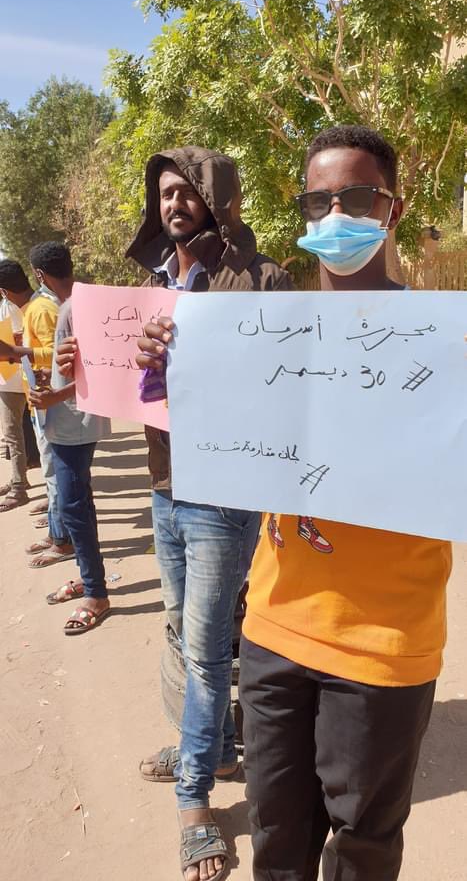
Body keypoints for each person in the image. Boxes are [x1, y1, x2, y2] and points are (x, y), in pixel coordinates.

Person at [57, 146, 291, 881]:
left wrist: (194, 345)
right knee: (179, 627)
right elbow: (130, 387)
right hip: (164, 487)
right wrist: (80, 371)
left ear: (217, 197)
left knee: (206, 643)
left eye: (186, 191)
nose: (172, 204)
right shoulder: (148, 286)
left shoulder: (262, 280)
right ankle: (214, 748)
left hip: (222, 493)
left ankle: (194, 800)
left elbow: (281, 381)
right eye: (162, 194)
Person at [239, 124, 452, 881]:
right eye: (318, 200)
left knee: (361, 842)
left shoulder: (443, 342)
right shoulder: (259, 334)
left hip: (382, 645)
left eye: (356, 197)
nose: (336, 216)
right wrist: (159, 365)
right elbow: (214, 436)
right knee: (275, 837)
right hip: (272, 627)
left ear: (391, 210)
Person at [29, 261, 111, 635]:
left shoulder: (75, 306)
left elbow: (100, 369)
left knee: (73, 506)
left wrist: (52, 397)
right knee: (79, 503)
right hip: (71, 422)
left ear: (40, 274)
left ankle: (95, 592)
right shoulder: (80, 301)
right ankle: (90, 577)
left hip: (73, 423)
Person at [0, 245, 74, 566]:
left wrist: (22, 353)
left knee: (56, 472)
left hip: (51, 400)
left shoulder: (40, 310)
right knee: (51, 470)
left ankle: (62, 539)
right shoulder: (37, 309)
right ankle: (56, 531)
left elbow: (59, 353)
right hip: (40, 399)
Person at [0, 262, 33, 510]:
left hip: (14, 377)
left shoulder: (16, 307)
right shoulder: (30, 303)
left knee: (13, 434)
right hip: (12, 376)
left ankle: (19, 487)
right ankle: (17, 479)